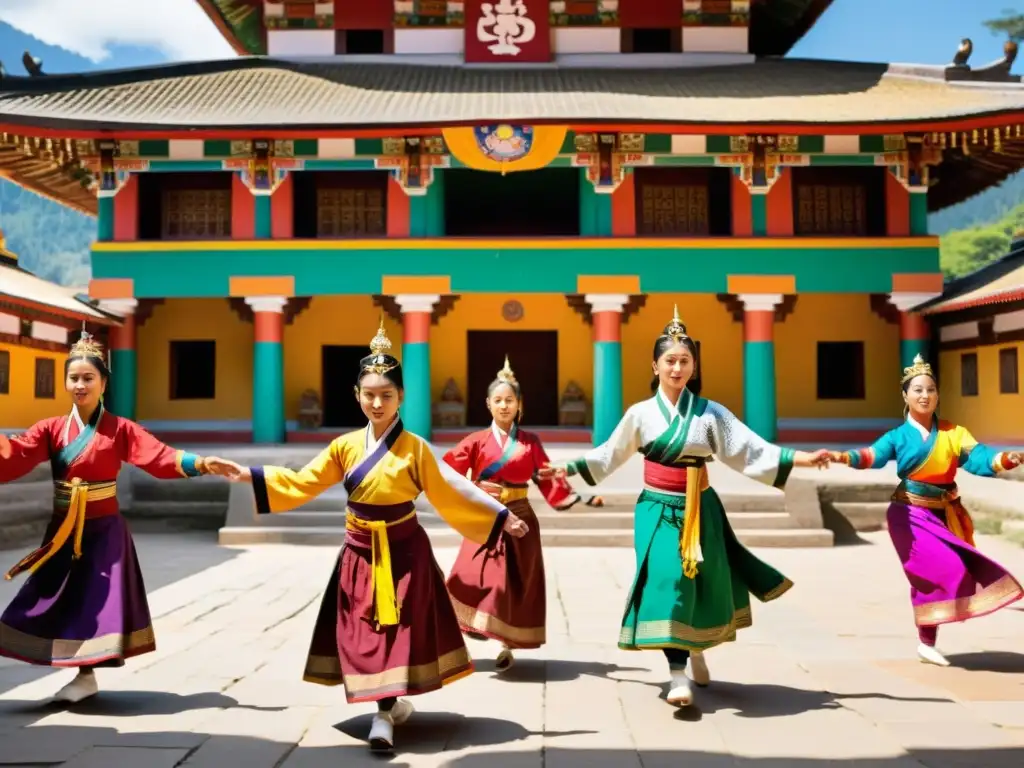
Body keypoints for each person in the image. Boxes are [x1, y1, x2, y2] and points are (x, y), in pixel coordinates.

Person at [206, 319, 529, 753]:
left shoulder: (414, 448)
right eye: (369, 394)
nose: (377, 403)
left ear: (401, 397)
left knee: (396, 633)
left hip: (405, 554)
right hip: (359, 553)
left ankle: (383, 712)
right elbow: (302, 481)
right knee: (363, 632)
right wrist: (247, 473)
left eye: (387, 395)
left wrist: (500, 515)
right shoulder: (344, 447)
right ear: (357, 396)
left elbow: (453, 488)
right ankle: (388, 707)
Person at [539, 307, 830, 708]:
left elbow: (750, 448)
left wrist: (801, 459)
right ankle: (677, 673)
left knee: (697, 583)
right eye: (669, 361)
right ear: (655, 365)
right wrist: (568, 467)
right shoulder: (639, 414)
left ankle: (696, 649)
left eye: (685, 360)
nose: (677, 368)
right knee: (667, 580)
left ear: (694, 365)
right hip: (656, 511)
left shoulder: (711, 413)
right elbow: (611, 452)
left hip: (700, 508)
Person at [0, 332, 229, 703]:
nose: (80, 385)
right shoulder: (51, 429)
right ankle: (78, 672)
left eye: (88, 378)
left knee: (94, 602)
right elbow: (15, 454)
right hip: (63, 530)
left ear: (103, 383)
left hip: (104, 531)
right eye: (73, 378)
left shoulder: (120, 429)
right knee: (56, 598)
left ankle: (85, 675)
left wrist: (200, 463)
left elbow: (157, 455)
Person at [828, 354, 1023, 667]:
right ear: (905, 396)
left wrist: (1004, 460)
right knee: (937, 571)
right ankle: (926, 640)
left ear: (938, 395)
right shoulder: (897, 436)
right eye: (917, 390)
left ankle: (926, 641)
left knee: (960, 571)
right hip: (909, 514)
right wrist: (843, 457)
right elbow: (873, 455)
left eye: (930, 389)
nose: (924, 395)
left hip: (945, 512)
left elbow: (979, 458)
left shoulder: (954, 433)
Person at [444, 356, 583, 671]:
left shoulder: (530, 442)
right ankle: (475, 624)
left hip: (520, 516)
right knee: (469, 576)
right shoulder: (476, 441)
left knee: (514, 585)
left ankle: (506, 644)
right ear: (488, 404)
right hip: (485, 516)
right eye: (498, 400)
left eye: (510, 400)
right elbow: (447, 471)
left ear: (520, 404)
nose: (504, 406)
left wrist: (571, 496)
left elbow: (546, 474)